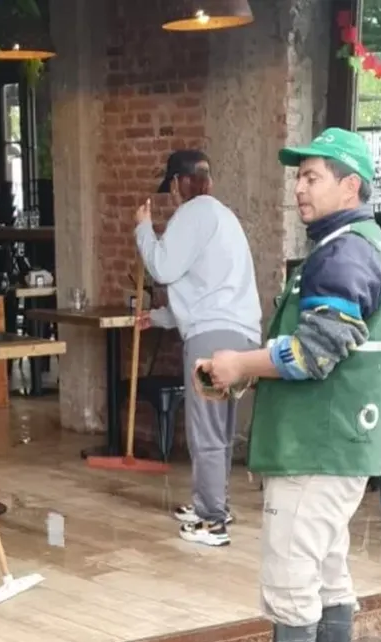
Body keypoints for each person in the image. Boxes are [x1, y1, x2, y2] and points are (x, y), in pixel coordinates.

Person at [198, 128, 381, 642]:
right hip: (337, 444)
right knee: (329, 572)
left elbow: (317, 350)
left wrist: (238, 366)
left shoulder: (344, 254)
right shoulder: (354, 247)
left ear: (351, 186)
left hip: (317, 446)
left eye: (312, 176)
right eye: (299, 175)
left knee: (291, 578)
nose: (299, 187)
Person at [135, 150, 261, 548]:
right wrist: (157, 319)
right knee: (219, 429)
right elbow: (205, 290)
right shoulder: (224, 217)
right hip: (240, 338)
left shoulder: (193, 213)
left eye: (170, 189)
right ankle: (215, 504)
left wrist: (143, 230)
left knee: (205, 430)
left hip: (210, 342)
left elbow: (163, 269)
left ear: (176, 183)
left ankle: (212, 521)